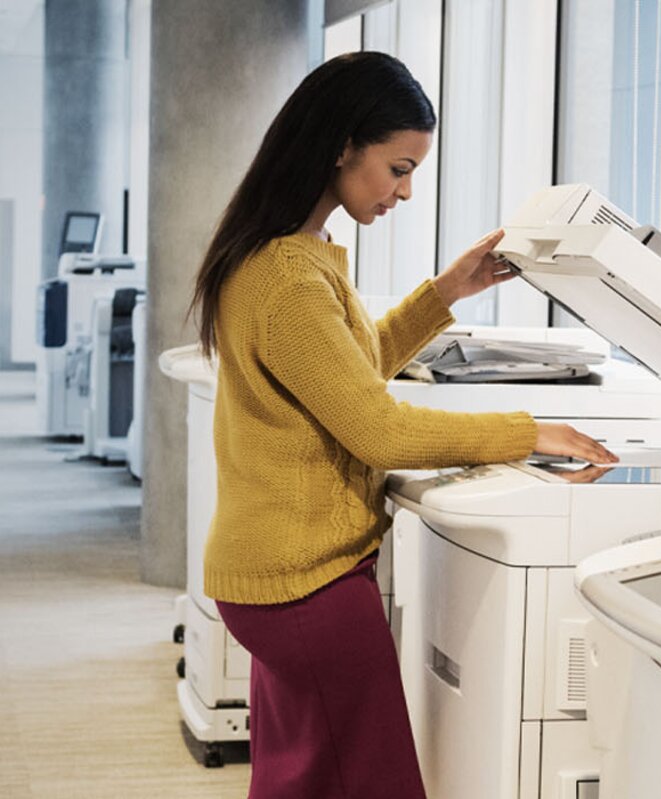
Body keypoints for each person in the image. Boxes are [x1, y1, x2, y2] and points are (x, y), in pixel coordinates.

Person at [189, 51, 616, 799]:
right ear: (340, 147)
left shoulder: (292, 255)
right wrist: (527, 432)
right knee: (374, 783)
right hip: (307, 587)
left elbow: (348, 373)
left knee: (300, 782)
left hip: (280, 581)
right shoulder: (290, 277)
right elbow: (376, 428)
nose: (407, 190)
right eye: (398, 167)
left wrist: (447, 292)